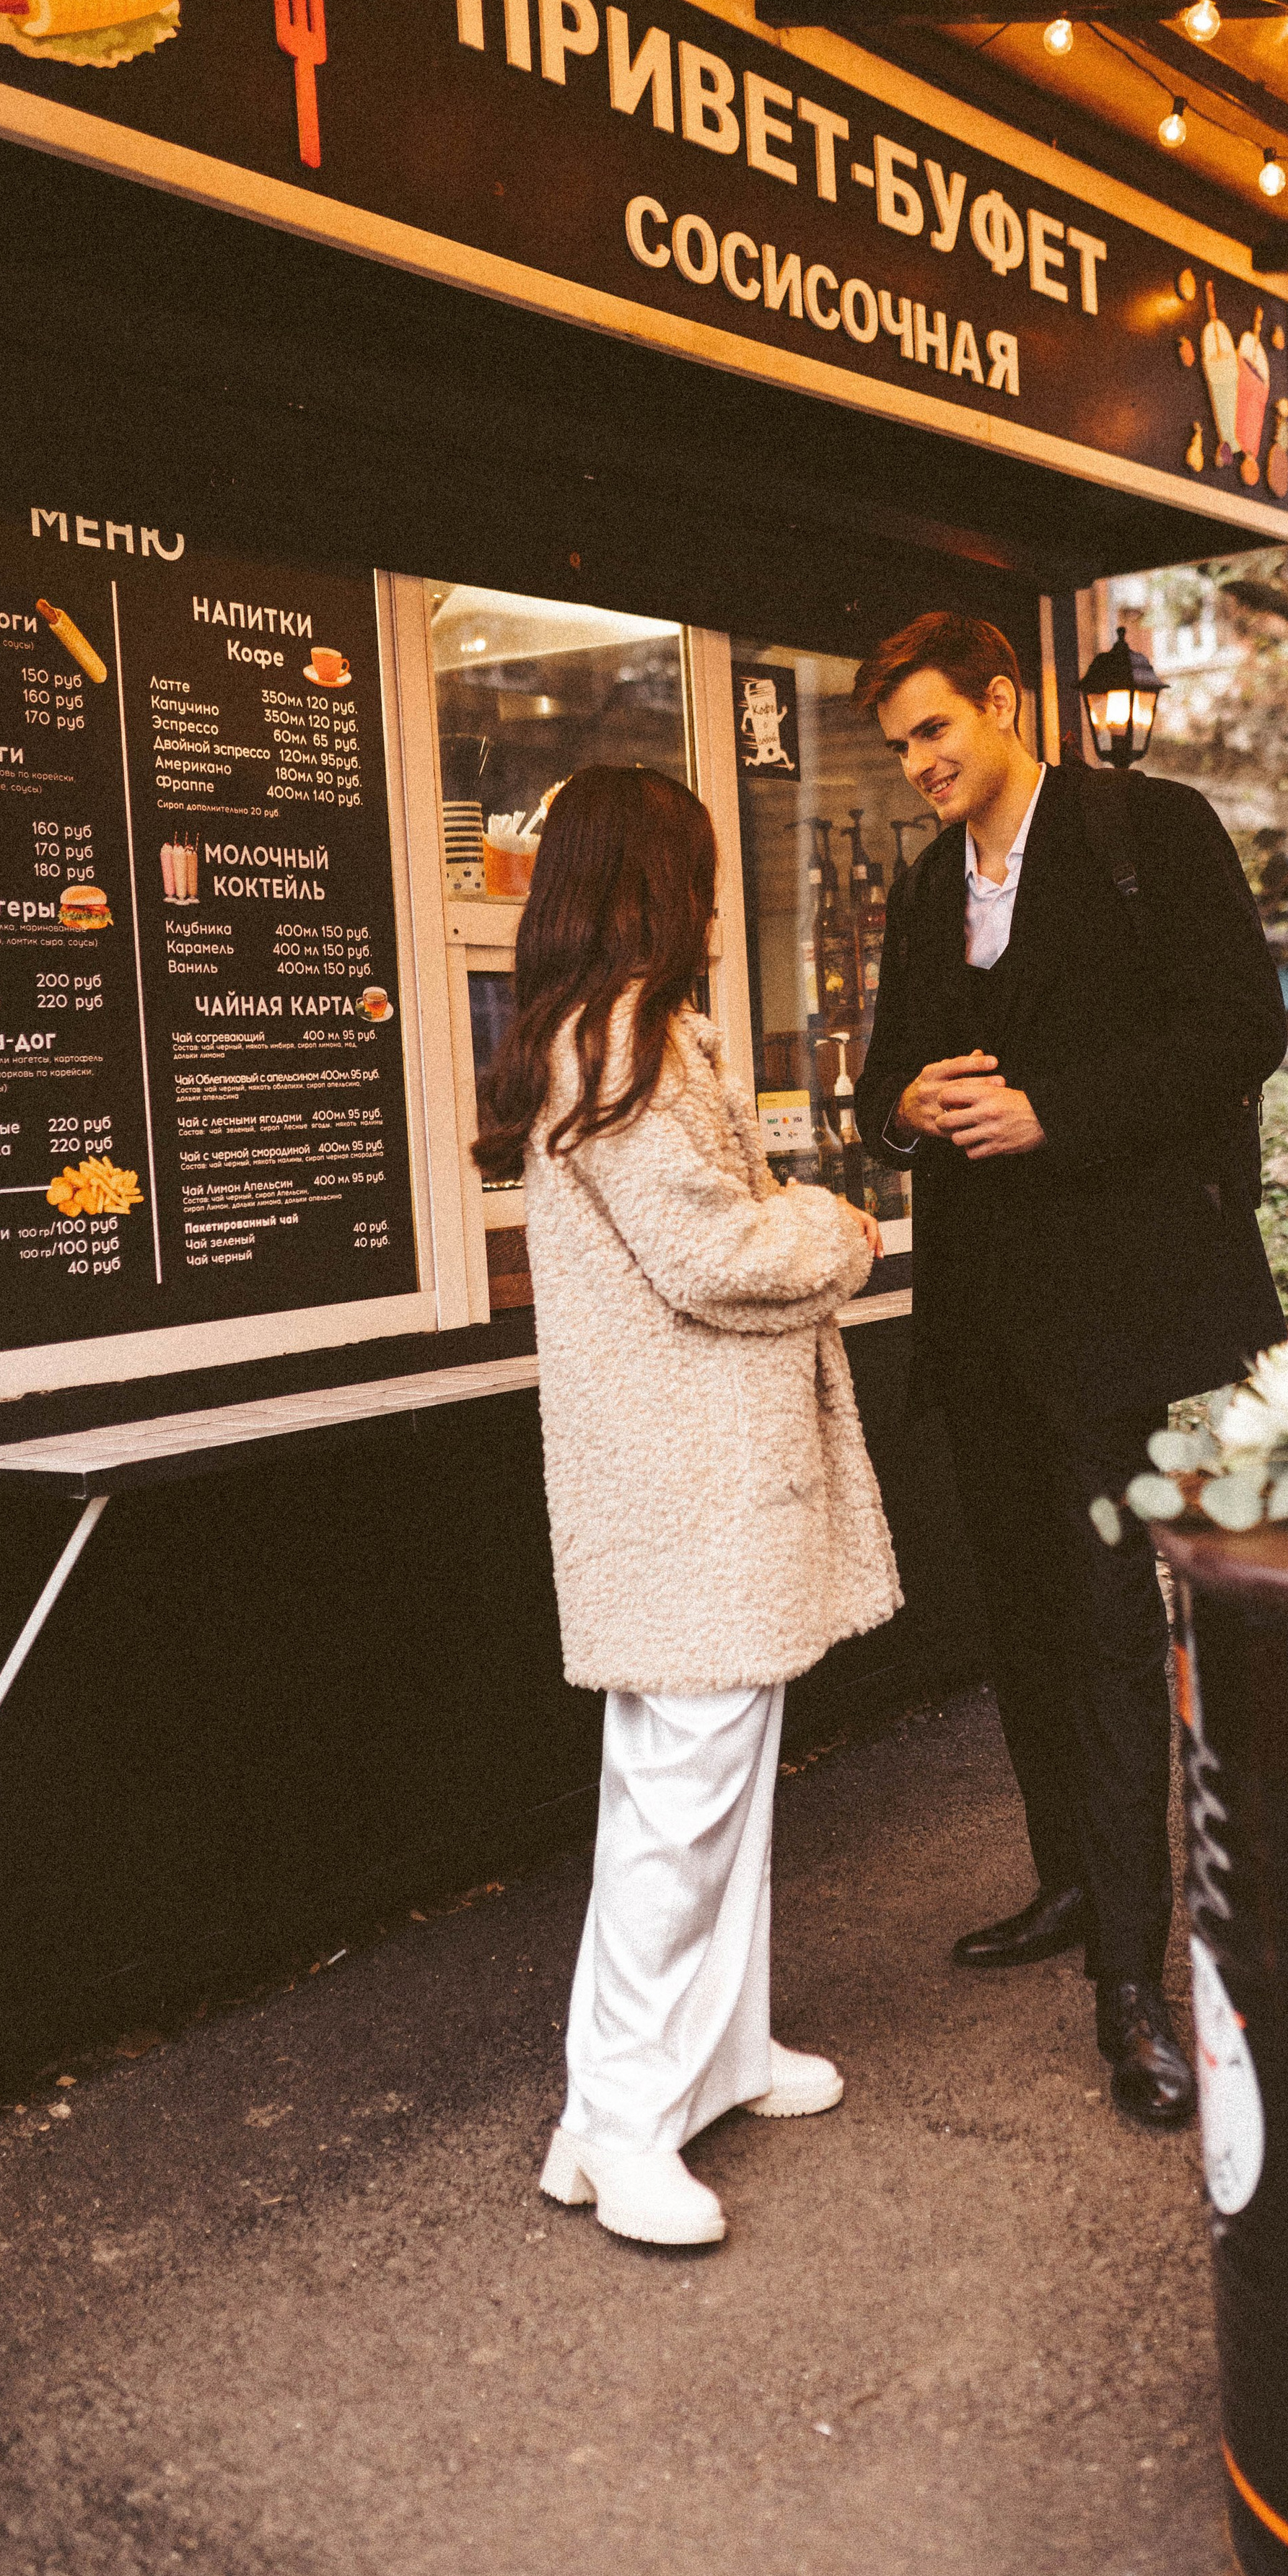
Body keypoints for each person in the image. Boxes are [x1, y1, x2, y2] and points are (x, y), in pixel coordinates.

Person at [854, 614, 1287, 2126]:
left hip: (1116, 1320)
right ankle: (1064, 1884)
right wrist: (901, 1102)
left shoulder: (1144, 829)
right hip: (975, 1327)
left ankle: (1130, 1979)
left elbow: (1245, 1029)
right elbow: (874, 1082)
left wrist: (1056, 1114)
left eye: (931, 732)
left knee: (1107, 1633)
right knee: (1022, 1625)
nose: (916, 767)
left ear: (1001, 702)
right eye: (896, 746)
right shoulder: (925, 890)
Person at [474, 764, 901, 2248]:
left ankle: (710, 2058)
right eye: (698, 870)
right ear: (655, 879)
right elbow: (713, 1256)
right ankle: (615, 2118)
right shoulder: (623, 1046)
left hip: (686, 1481)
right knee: (682, 1802)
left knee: (700, 1784)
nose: (715, 899)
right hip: (687, 1486)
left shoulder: (612, 1038)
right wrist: (833, 1226)